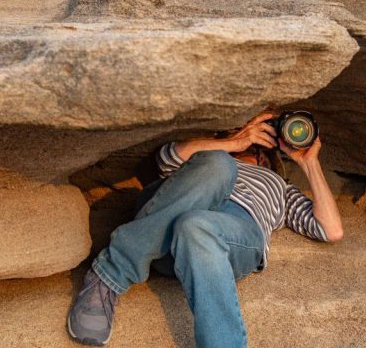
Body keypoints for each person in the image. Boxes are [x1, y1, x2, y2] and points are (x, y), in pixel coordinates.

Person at [67, 111, 344, 347]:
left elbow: (330, 230)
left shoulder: (279, 186)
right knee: (217, 167)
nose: (262, 135)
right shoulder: (210, 156)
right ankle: (109, 276)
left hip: (230, 234)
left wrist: (309, 163)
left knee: (195, 225)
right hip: (164, 231)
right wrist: (234, 142)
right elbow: (168, 156)